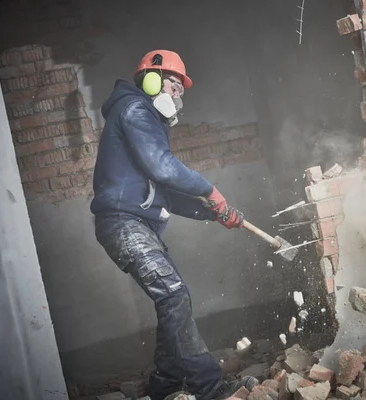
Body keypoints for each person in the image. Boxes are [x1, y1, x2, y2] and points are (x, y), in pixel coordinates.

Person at [90, 50, 258, 400]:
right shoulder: (136, 110)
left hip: (133, 224)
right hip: (124, 223)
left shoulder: (141, 119)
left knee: (172, 299)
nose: (178, 95)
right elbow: (164, 168)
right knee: (174, 294)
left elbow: (165, 192)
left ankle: (165, 385)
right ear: (151, 80)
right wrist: (211, 190)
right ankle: (209, 389)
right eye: (173, 84)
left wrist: (214, 212)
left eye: (181, 89)